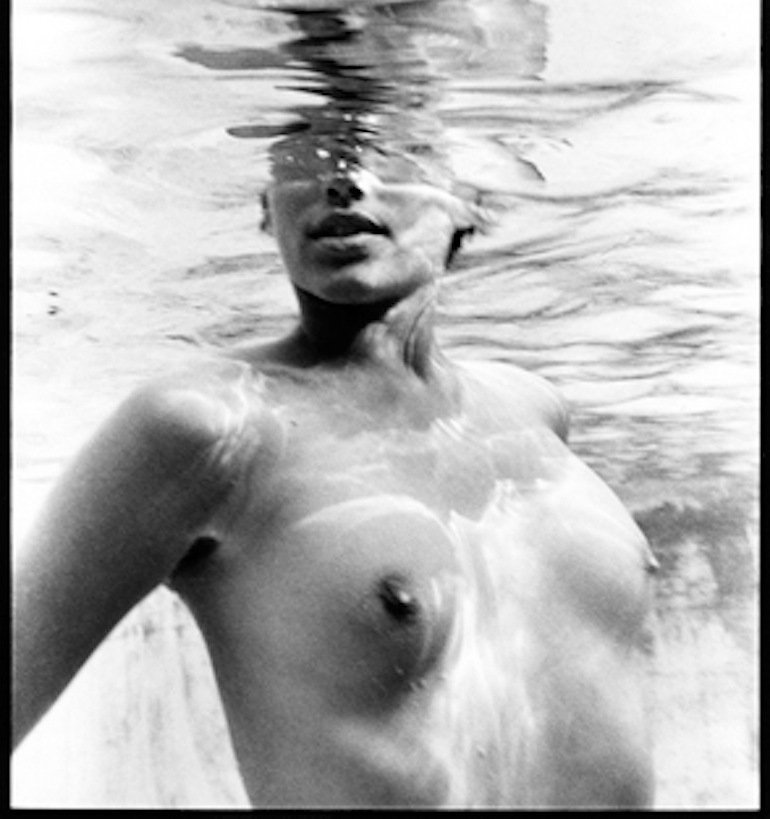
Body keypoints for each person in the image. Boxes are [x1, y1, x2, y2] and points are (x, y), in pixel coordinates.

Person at [12, 133, 657, 809]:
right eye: (303, 143)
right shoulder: (206, 427)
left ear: (471, 199)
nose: (344, 176)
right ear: (267, 206)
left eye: (396, 145)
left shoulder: (534, 406)